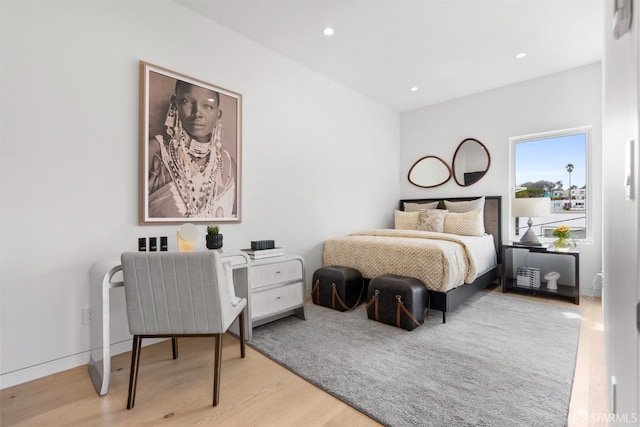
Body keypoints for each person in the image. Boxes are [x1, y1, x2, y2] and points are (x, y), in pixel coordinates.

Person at [148, 80, 236, 219]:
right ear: (174, 103)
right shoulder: (155, 151)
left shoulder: (228, 164)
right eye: (186, 101)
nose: (197, 113)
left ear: (218, 114)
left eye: (207, 106)